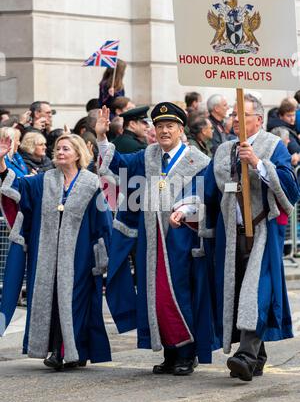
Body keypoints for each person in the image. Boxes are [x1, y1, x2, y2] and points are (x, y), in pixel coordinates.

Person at [97, 102, 219, 376]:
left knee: (180, 294)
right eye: (160, 126)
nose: (164, 131)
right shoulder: (148, 155)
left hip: (181, 239)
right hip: (151, 242)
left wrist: (186, 209)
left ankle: (187, 353)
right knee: (155, 295)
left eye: (170, 126)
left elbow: (206, 196)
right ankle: (169, 351)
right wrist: (103, 137)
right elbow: (118, 164)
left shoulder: (197, 160)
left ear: (180, 130)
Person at [204, 94, 300, 382]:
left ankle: (245, 356)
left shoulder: (272, 146)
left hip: (261, 232)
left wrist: (258, 163)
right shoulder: (223, 150)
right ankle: (257, 356)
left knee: (255, 293)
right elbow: (209, 191)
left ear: (258, 119)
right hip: (231, 235)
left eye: (242, 115)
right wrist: (186, 209)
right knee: (235, 293)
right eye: (234, 115)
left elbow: (290, 189)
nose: (236, 120)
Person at [0, 133, 112, 370]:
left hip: (79, 257)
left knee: (74, 302)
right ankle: (56, 350)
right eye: (58, 149)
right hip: (46, 256)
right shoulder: (43, 180)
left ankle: (71, 350)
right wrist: (1, 161)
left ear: (78, 154)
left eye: (66, 149)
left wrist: (102, 256)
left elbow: (102, 222)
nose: (60, 152)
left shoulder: (92, 183)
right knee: (49, 301)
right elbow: (14, 187)